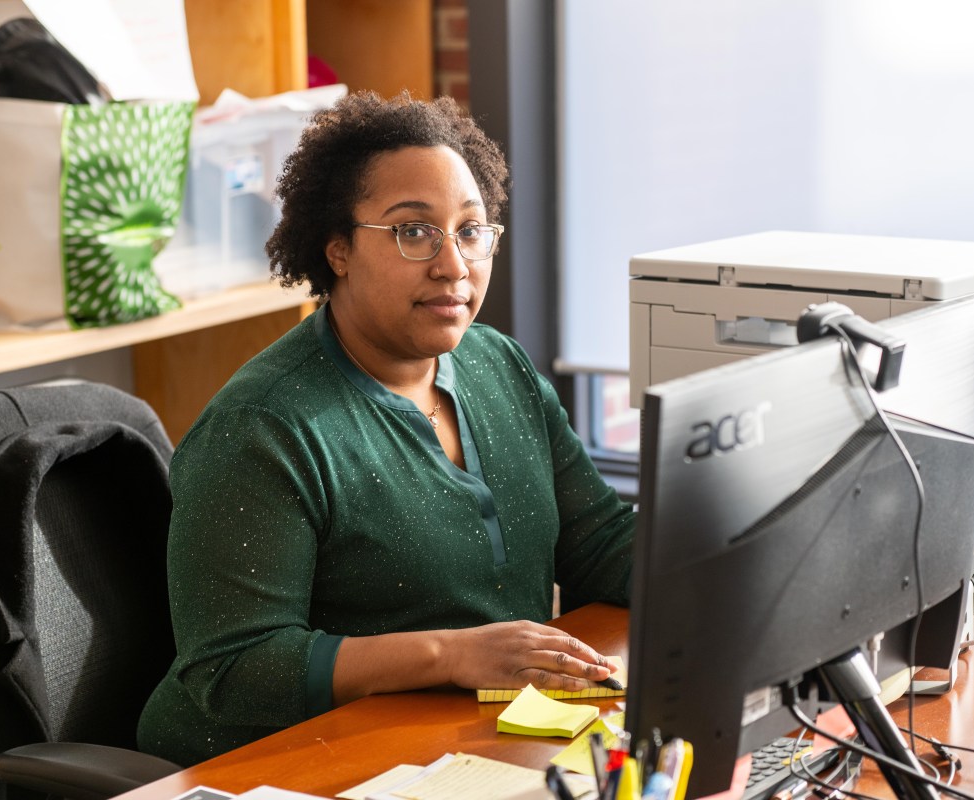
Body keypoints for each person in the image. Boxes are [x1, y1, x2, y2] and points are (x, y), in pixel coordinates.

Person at [137, 91, 636, 766]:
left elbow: (599, 545)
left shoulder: (499, 366)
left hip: (469, 741)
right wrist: (452, 653)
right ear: (337, 249)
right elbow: (232, 669)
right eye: (413, 231)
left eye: (470, 230)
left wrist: (746, 544)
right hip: (286, 764)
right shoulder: (264, 428)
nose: (454, 265)